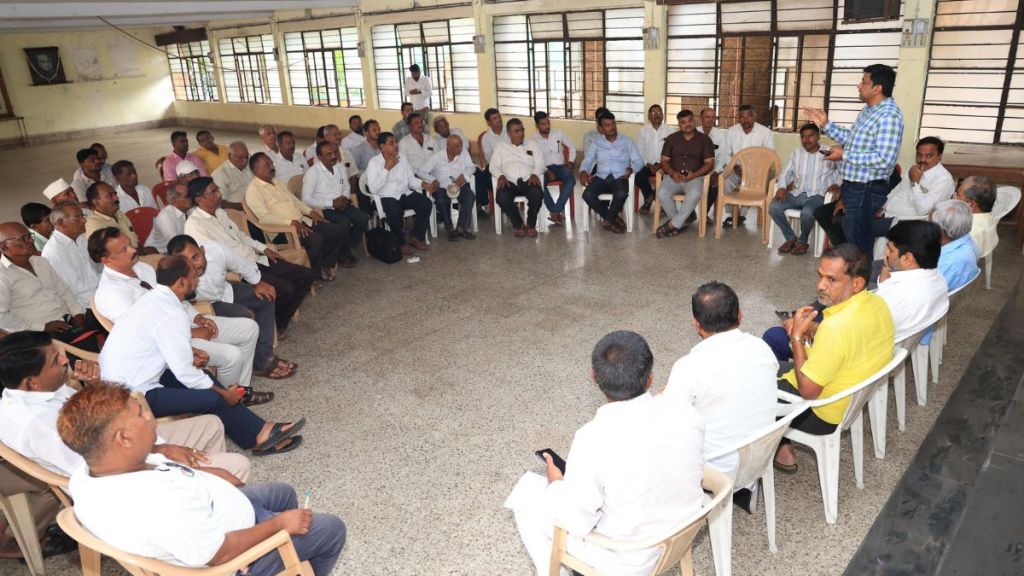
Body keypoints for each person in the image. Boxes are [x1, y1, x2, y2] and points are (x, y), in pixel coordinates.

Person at [60, 381, 343, 573]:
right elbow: (219, 554)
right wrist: (280, 525)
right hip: (231, 560)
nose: (149, 415)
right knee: (331, 529)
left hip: (214, 514)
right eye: (140, 414)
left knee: (283, 493)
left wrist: (210, 474)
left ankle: (278, 531)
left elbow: (161, 468)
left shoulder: (88, 473)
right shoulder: (156, 503)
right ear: (123, 438)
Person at [504, 330, 705, 576]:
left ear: (593, 376)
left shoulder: (593, 437)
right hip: (680, 535)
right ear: (650, 378)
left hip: (627, 560)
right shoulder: (685, 411)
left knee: (526, 492)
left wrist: (556, 482)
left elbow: (575, 522)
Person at [96, 257, 302, 455]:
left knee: (206, 379)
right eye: (195, 276)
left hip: (129, 379)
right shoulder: (171, 313)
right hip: (131, 396)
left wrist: (190, 356)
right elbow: (185, 373)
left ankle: (259, 431)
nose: (198, 280)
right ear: (182, 282)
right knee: (213, 397)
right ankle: (259, 434)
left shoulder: (154, 299)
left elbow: (159, 348)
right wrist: (223, 394)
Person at [0, 330, 251, 481]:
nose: (66, 360)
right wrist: (160, 451)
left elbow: (98, 416)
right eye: (56, 360)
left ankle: (208, 498)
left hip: (122, 441)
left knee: (212, 424)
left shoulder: (42, 389)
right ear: (31, 381)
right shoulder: (33, 423)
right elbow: (99, 468)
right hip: (123, 476)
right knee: (238, 465)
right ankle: (205, 489)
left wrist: (92, 385)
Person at [90, 227, 260, 392]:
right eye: (124, 249)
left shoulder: (143, 268)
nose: (134, 249)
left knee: (249, 329)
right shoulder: (110, 293)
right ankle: (227, 399)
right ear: (106, 260)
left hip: (186, 322)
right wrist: (193, 333)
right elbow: (145, 332)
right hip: (168, 342)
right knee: (232, 355)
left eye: (130, 244)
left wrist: (198, 318)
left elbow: (175, 297)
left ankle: (241, 390)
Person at [773, 244, 894, 472]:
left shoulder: (836, 328)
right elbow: (851, 340)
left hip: (820, 412)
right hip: (847, 399)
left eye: (831, 280)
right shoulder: (877, 304)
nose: (821, 286)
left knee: (743, 381)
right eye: (820, 276)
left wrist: (798, 337)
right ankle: (779, 443)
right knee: (766, 361)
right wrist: (812, 329)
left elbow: (808, 391)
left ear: (857, 283)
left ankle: (773, 450)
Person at [662, 282, 777, 511]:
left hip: (717, 466)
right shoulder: (762, 347)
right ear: (740, 315)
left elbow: (670, 424)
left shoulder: (689, 366)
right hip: (757, 456)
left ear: (697, 324)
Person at [185, 177, 315, 338]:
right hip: (238, 272)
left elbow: (241, 236)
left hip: (255, 259)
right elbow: (210, 260)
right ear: (200, 199)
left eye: (218, 189)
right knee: (286, 288)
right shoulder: (194, 225)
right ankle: (277, 324)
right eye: (214, 191)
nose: (219, 194)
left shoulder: (220, 213)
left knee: (306, 275)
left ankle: (278, 319)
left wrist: (264, 248)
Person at [804, 64, 904, 257]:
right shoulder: (869, 110)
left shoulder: (889, 116)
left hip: (867, 188)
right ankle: (847, 262)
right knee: (835, 220)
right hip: (853, 185)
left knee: (859, 239)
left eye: (864, 81)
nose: (859, 85)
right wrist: (825, 124)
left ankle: (860, 278)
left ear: (877, 88)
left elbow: (884, 159)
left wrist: (844, 155)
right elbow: (852, 138)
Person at [168, 235, 297, 381]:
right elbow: (177, 303)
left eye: (195, 257)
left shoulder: (216, 250)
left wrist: (258, 282)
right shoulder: (176, 277)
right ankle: (259, 362)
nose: (193, 266)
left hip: (225, 289)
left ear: (202, 250)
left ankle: (265, 355)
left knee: (265, 297)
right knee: (243, 315)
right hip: (205, 305)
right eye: (185, 262)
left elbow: (242, 264)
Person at [246, 152, 346, 281]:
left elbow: (295, 201)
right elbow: (264, 218)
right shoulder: (253, 191)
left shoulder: (276, 182)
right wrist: (290, 222)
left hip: (301, 221)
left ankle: (324, 264)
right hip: (282, 231)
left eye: (271, 163)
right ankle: (312, 277)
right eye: (267, 165)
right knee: (316, 240)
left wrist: (310, 212)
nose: (272, 166)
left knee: (335, 231)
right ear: (256, 170)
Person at [0, 223, 101, 351]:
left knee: (94, 358)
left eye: (29, 236)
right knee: (75, 366)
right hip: (39, 337)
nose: (31, 240)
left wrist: (78, 313)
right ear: (4, 246)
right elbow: (2, 317)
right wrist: (42, 327)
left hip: (68, 322)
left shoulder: (41, 262)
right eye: (23, 238)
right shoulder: (2, 276)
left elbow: (63, 290)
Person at [768, 123, 841, 255]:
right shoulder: (797, 154)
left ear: (818, 136)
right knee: (774, 207)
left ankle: (802, 241)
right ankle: (791, 238)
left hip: (818, 195)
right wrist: (782, 187)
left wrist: (838, 183)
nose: (806, 140)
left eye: (810, 136)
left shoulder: (829, 152)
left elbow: (843, 171)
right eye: (803, 137)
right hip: (798, 193)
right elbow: (785, 173)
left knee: (807, 213)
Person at [875, 220, 950, 342]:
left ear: (907, 258)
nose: (885, 252)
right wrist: (887, 264)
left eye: (890, 249)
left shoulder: (894, 299)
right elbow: (885, 286)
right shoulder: (938, 278)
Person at [302, 141, 370, 267]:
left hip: (342, 203)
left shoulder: (339, 167)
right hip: (324, 208)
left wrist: (344, 197)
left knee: (363, 218)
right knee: (343, 223)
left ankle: (347, 244)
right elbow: (306, 199)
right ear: (320, 157)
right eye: (329, 154)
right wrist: (331, 203)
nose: (333, 156)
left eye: (334, 153)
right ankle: (343, 255)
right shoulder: (312, 173)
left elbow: (346, 185)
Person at [364, 132, 433, 254]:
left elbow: (411, 180)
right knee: (395, 210)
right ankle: (400, 242)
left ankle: (416, 237)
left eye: (396, 142)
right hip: (384, 197)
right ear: (382, 146)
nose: (396, 145)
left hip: (403, 194)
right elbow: (374, 189)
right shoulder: (374, 163)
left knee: (426, 203)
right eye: (392, 143)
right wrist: (387, 168)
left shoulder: (402, 158)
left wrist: (422, 183)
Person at [653, 109, 715, 238]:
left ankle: (672, 225)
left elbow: (709, 164)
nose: (687, 124)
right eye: (683, 122)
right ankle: (679, 223)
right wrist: (671, 172)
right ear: (679, 125)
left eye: (690, 121)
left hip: (694, 178)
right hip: (673, 177)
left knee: (695, 193)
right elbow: (664, 161)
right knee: (662, 193)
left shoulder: (705, 140)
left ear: (694, 121)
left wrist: (694, 174)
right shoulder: (671, 139)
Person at [580, 112, 644, 234]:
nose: (612, 127)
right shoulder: (596, 142)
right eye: (607, 125)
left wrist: (632, 169)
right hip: (601, 177)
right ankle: (613, 218)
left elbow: (639, 161)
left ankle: (608, 220)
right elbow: (588, 159)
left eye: (613, 123)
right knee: (587, 195)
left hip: (620, 176)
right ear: (600, 128)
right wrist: (583, 171)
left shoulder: (627, 141)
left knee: (621, 193)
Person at [876, 137, 954, 229]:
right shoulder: (914, 169)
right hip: (887, 217)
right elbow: (897, 191)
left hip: (912, 225)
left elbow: (923, 210)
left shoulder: (943, 180)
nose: (922, 160)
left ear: (939, 156)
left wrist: (915, 183)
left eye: (929, 156)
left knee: (863, 229)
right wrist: (882, 207)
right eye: (919, 155)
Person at [490, 118, 545, 238]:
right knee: (502, 197)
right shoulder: (501, 146)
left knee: (537, 193)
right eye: (516, 131)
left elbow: (540, 163)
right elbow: (493, 166)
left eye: (522, 130)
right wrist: (500, 176)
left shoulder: (532, 144)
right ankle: (518, 224)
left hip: (528, 179)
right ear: (509, 133)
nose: (521, 133)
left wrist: (535, 173)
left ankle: (531, 224)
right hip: (509, 181)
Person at [721, 104, 775, 226]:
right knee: (724, 180)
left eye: (749, 116)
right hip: (736, 169)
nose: (745, 120)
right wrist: (735, 167)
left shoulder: (765, 132)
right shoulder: (732, 131)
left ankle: (741, 215)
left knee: (753, 185)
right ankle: (731, 214)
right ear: (738, 118)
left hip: (757, 172)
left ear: (754, 117)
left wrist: (751, 170)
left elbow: (769, 155)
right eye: (742, 117)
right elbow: (727, 153)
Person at [417, 134, 477, 241]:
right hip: (442, 187)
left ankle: (461, 228)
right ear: (449, 147)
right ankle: (449, 228)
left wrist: (464, 175)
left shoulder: (464, 153)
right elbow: (420, 172)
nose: (461, 148)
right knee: (440, 200)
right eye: (457, 146)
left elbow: (472, 167)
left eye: (461, 145)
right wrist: (433, 180)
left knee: (470, 196)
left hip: (459, 185)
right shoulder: (437, 157)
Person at [40, 203, 100, 309]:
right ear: (61, 223)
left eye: (83, 216)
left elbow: (95, 270)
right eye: (77, 217)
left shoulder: (81, 238)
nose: (84, 221)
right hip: (85, 306)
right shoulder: (54, 251)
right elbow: (76, 292)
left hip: (99, 293)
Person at [84, 182, 158, 255]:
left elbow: (135, 240)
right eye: (110, 195)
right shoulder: (93, 224)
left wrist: (144, 251)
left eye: (115, 194)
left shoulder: (119, 213)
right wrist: (140, 252)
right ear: (96, 202)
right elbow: (110, 254)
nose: (116, 198)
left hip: (137, 256)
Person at [530, 111, 577, 225]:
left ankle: (555, 211)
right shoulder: (533, 140)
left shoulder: (559, 134)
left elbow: (572, 147)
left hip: (560, 167)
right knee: (538, 185)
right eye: (543, 124)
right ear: (537, 125)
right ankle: (555, 211)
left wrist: (570, 161)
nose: (547, 126)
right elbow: (533, 160)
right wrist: (547, 171)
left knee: (571, 179)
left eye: (548, 123)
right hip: (544, 169)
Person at [930, 199, 980, 291]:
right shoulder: (969, 240)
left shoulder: (947, 264)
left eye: (930, 224)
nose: (926, 227)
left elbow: (925, 291)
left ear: (941, 231)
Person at [636, 104, 678, 214]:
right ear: (649, 116)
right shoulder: (643, 131)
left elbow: (674, 152)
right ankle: (650, 199)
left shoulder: (670, 130)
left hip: (665, 164)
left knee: (667, 178)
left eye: (659, 112)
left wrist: (661, 165)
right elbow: (640, 151)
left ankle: (648, 202)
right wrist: (648, 164)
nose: (657, 115)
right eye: (653, 113)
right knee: (639, 176)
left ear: (663, 115)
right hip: (649, 164)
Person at [954, 175, 999, 257]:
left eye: (957, 195)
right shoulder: (987, 215)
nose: (954, 198)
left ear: (970, 204)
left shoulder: (966, 230)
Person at [697, 108, 728, 223]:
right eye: (707, 117)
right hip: (695, 169)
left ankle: (704, 213)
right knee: (684, 181)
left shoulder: (720, 134)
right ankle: (690, 214)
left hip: (712, 169)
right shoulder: (694, 132)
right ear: (701, 118)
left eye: (713, 117)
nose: (710, 120)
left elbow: (723, 156)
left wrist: (716, 172)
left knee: (715, 184)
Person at [478, 108, 510, 214]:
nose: (499, 119)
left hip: (512, 163)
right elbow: (489, 158)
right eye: (494, 118)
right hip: (495, 165)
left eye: (499, 116)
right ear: (489, 122)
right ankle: (500, 201)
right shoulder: (486, 138)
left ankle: (509, 199)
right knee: (483, 177)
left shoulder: (510, 130)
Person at [147, 182, 192, 253]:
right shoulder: (165, 218)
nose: (191, 198)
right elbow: (176, 246)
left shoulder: (190, 208)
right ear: (174, 200)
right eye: (187, 196)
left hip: (182, 245)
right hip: (160, 252)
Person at [212, 141, 254, 211]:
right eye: (240, 158)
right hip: (237, 212)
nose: (245, 161)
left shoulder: (251, 165)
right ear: (229, 156)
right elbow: (220, 203)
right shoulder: (220, 174)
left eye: (247, 156)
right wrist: (246, 207)